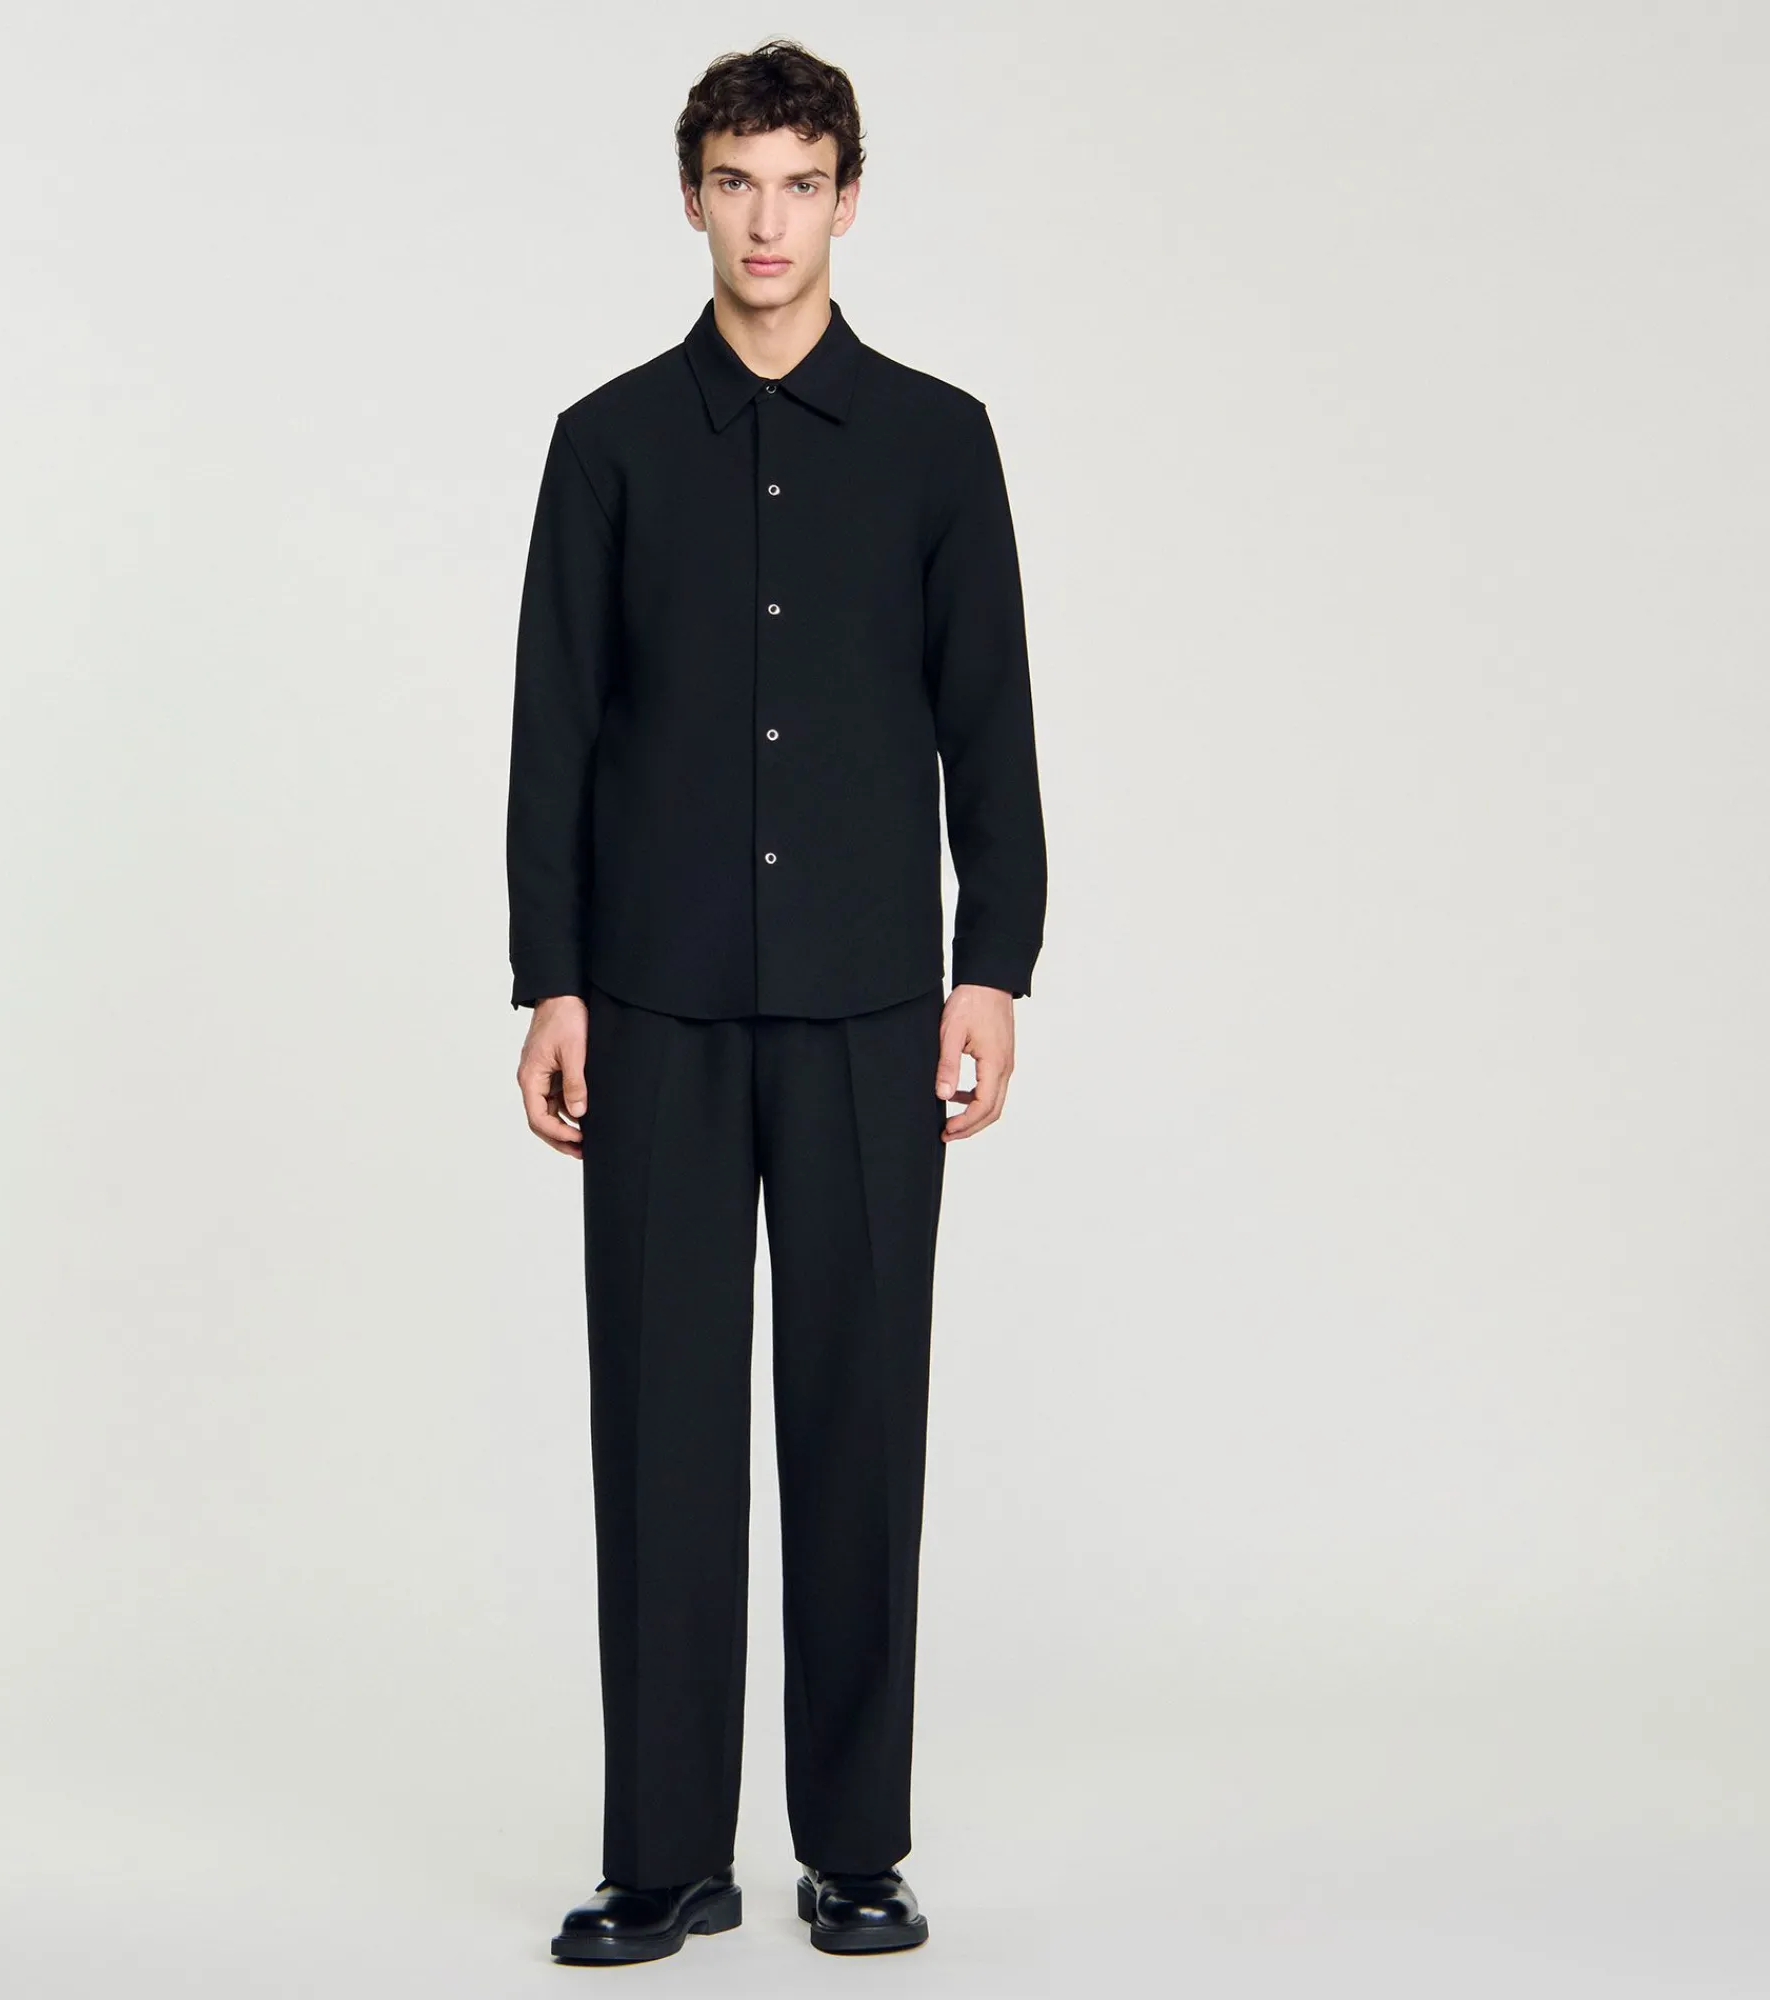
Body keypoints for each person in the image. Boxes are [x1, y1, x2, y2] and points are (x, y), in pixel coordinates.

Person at [505, 37, 1048, 1967]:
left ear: (847, 199)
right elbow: (555, 731)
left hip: (868, 1005)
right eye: (736, 181)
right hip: (650, 1005)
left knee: (857, 1423)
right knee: (659, 1432)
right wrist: (551, 980)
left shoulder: (935, 441)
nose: (766, 220)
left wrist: (995, 964)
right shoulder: (606, 444)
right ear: (691, 196)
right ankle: (664, 1854)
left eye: (800, 182)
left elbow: (990, 719)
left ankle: (856, 1846)